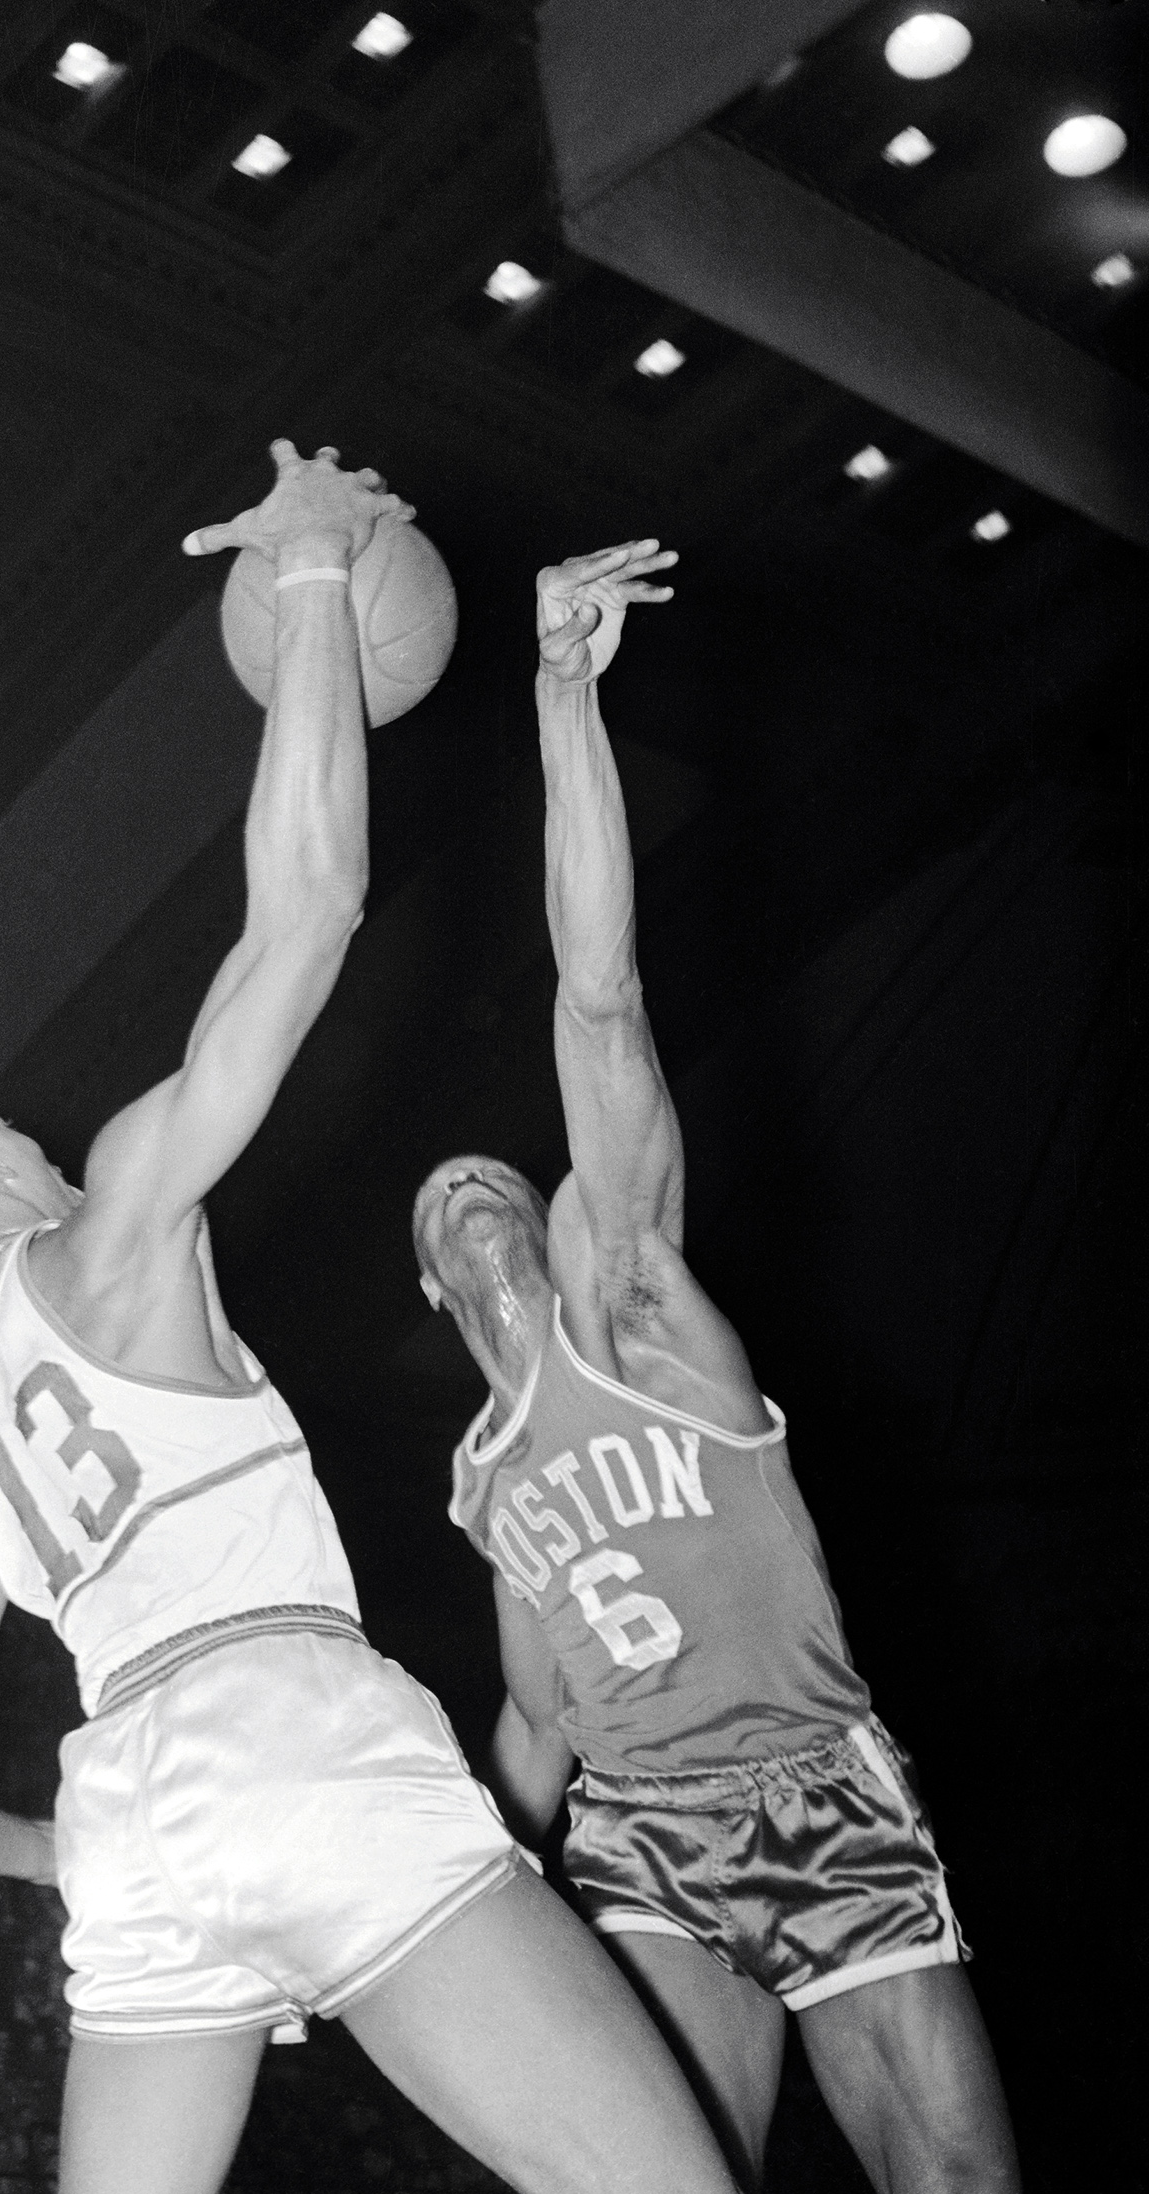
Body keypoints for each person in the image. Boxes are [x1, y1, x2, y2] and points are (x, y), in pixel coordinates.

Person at [0, 442, 739, 2194]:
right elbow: (306, 914)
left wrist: (81, 1861)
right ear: (19, 1155)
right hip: (290, 1728)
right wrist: (322, 577)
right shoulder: (107, 1234)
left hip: (127, 1822)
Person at [412, 541, 1021, 2193]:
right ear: (432, 1276)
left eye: (500, 1180)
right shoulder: (488, 1480)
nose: (478, 1188)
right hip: (642, 1824)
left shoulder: (628, 1304)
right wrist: (413, 1895)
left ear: (543, 1223)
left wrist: (562, 694)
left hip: (819, 1780)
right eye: (446, 1193)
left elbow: (600, 1001)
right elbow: (537, 1728)